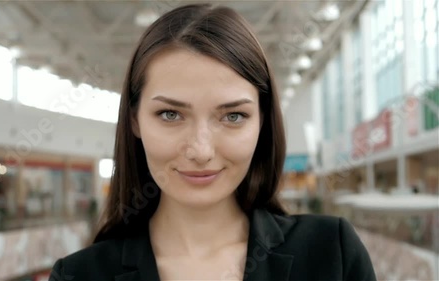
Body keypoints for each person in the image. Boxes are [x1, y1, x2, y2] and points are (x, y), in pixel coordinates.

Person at [50, 3, 376, 281]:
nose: (201, 151)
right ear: (134, 119)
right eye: (170, 114)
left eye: (232, 116)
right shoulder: (80, 274)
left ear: (263, 120)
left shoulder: (331, 255)